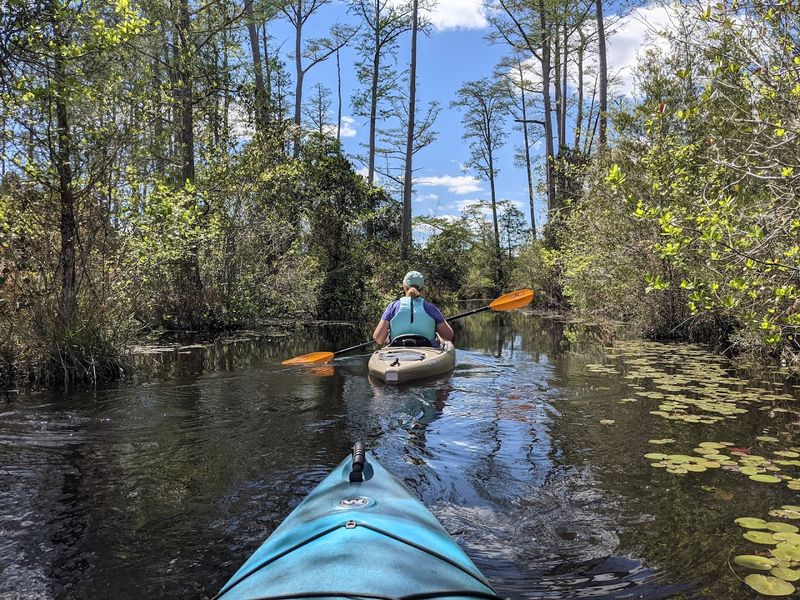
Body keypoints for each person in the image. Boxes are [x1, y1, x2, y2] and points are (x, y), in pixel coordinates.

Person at [372, 271, 454, 348]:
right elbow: (448, 336)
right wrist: (436, 325)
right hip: (428, 351)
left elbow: (378, 338)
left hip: (397, 351)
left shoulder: (392, 307)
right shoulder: (431, 308)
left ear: (404, 287)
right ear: (422, 288)